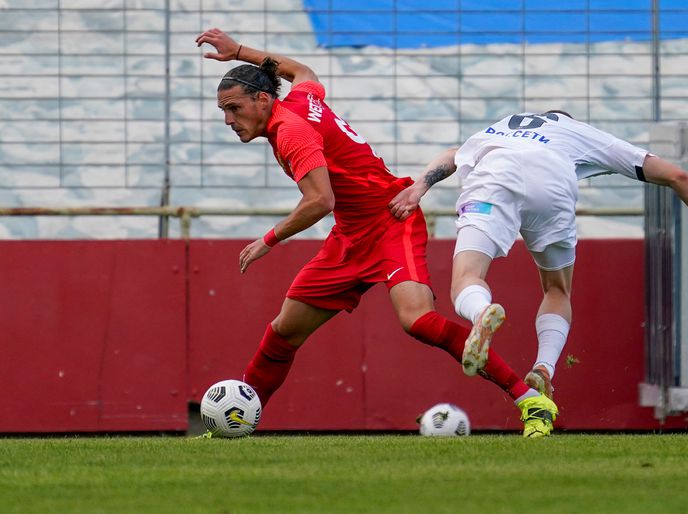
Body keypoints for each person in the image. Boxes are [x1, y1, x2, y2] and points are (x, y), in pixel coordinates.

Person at [195, 28, 557, 438]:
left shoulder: (292, 131)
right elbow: (302, 70)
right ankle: (240, 421)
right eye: (224, 110)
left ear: (262, 100)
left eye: (233, 108)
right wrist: (238, 51)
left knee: (417, 320)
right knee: (283, 332)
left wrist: (268, 239)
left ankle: (531, 400)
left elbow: (320, 201)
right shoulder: (301, 99)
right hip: (349, 236)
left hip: (390, 221)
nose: (228, 119)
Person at [389, 110, 688, 400]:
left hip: (495, 174)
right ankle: (544, 368)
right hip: (552, 185)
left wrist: (420, 186)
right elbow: (678, 176)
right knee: (557, 289)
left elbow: (453, 154)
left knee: (468, 278)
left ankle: (481, 313)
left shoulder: (505, 125)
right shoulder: (583, 134)